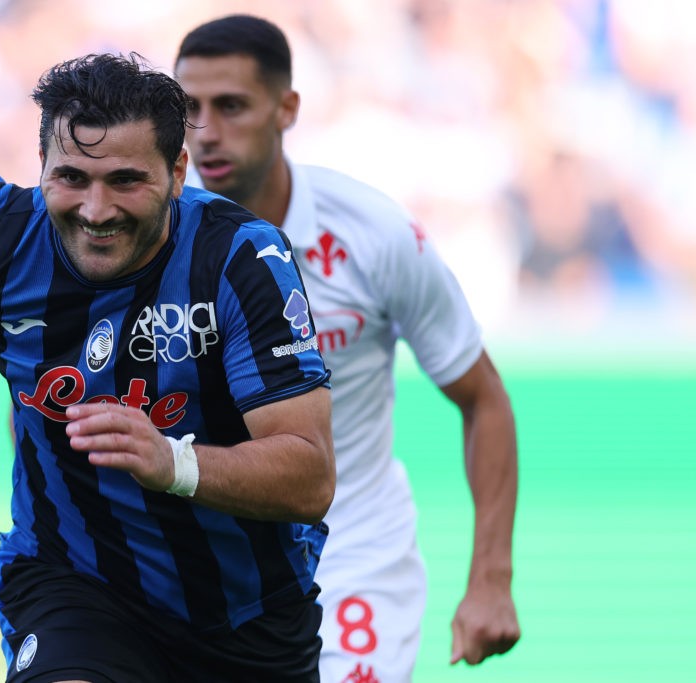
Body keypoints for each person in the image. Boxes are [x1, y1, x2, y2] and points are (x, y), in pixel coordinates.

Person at [0, 52, 336, 683]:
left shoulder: (241, 257)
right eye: (70, 177)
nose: (95, 209)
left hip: (246, 614)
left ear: (177, 172)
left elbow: (310, 478)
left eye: (124, 180)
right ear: (41, 169)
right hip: (74, 586)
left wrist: (175, 463)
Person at [174, 15, 520, 683]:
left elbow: (483, 398)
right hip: (198, 561)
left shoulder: (374, 233)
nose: (206, 131)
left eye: (231, 106)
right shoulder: (145, 237)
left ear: (287, 108)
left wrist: (491, 579)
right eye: (188, 109)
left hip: (351, 554)